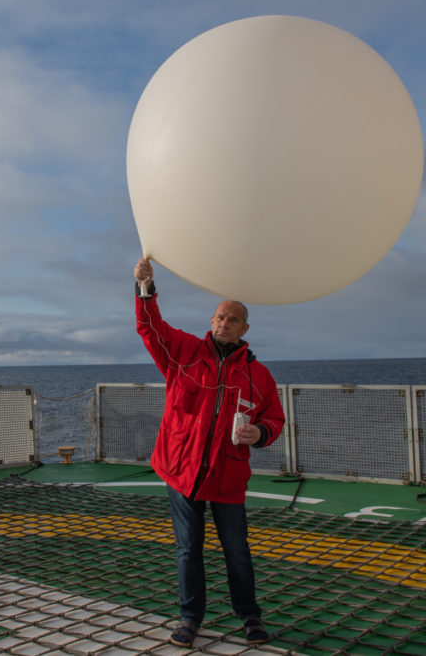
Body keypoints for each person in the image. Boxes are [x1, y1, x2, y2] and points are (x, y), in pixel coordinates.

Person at [133, 257, 284, 648]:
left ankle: (250, 617)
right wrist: (145, 288)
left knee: (237, 552)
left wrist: (260, 432)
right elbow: (150, 329)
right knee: (188, 551)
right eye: (219, 317)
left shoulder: (259, 376)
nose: (223, 323)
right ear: (211, 320)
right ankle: (189, 618)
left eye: (232, 319)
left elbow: (275, 420)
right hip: (181, 472)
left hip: (227, 477)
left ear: (245, 329)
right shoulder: (183, 352)